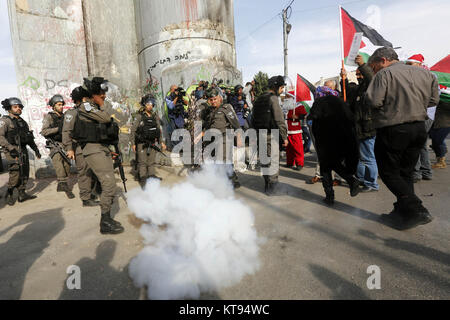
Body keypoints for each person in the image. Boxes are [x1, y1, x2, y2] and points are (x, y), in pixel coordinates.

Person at [365, 47, 440, 230]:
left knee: (389, 172)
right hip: (419, 128)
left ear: (383, 60)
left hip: (394, 128)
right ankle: (403, 213)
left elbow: (373, 101)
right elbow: (434, 100)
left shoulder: (384, 75)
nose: (374, 71)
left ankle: (416, 209)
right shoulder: (427, 74)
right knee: (405, 172)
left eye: (374, 67)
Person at [72, 77, 124, 235]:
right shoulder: (86, 106)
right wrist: (102, 105)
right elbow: (106, 118)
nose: (104, 97)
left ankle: (106, 218)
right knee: (109, 184)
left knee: (109, 183)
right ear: (94, 94)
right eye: (101, 95)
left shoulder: (94, 106)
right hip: (93, 149)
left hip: (102, 148)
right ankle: (105, 221)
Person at [309, 86, 361, 205]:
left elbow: (313, 116)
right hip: (343, 139)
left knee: (326, 167)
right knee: (333, 163)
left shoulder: (319, 102)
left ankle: (331, 195)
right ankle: (350, 181)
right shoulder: (339, 101)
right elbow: (351, 118)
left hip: (326, 140)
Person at [341, 54, 379, 192]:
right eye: (357, 74)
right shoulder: (359, 88)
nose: (358, 76)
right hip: (358, 129)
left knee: (369, 157)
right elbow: (349, 96)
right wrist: (343, 79)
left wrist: (362, 65)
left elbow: (371, 79)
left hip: (368, 128)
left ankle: (372, 183)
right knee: (361, 158)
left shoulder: (371, 86)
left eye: (360, 74)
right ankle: (362, 180)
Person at [62, 86, 100, 207]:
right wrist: (69, 149)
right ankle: (86, 198)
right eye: (88, 98)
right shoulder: (72, 113)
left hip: (94, 146)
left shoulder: (90, 111)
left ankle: (93, 193)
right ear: (83, 98)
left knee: (95, 171)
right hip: (80, 147)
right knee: (84, 173)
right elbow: (66, 131)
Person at [0, 97, 41, 205]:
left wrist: (35, 149)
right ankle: (9, 193)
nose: (18, 109)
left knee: (25, 171)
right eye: (15, 107)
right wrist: (10, 149)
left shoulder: (22, 122)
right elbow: (0, 137)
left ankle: (22, 193)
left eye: (20, 107)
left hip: (22, 149)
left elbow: (28, 137)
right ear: (9, 108)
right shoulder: (5, 121)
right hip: (12, 150)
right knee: (16, 172)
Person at [252, 75, 288, 195]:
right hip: (271, 134)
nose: (282, 90)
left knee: (264, 160)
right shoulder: (273, 99)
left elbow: (253, 118)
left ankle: (267, 183)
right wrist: (284, 136)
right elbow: (279, 119)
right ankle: (272, 187)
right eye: (282, 87)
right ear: (276, 87)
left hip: (259, 133)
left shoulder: (259, 99)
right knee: (273, 160)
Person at [202, 88, 241, 189]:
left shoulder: (226, 107)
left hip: (225, 138)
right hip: (213, 140)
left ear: (220, 98)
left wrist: (239, 138)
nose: (213, 101)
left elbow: (236, 123)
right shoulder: (210, 110)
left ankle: (232, 182)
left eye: (215, 99)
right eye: (211, 100)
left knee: (224, 161)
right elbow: (209, 125)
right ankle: (228, 180)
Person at [405, 54, 436, 181]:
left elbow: (433, 98)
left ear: (418, 64)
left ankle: (416, 172)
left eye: (410, 64)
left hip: (423, 115)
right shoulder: (427, 75)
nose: (408, 67)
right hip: (425, 114)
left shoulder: (427, 76)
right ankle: (426, 172)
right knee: (421, 144)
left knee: (415, 144)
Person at [41, 94, 75, 199]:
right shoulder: (49, 116)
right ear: (53, 105)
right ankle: (64, 185)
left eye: (62, 105)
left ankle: (61, 185)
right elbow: (44, 131)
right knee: (59, 165)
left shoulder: (65, 116)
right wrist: (58, 129)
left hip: (65, 143)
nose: (61, 107)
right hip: (55, 144)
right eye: (59, 105)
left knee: (67, 166)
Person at [130, 94, 166, 188]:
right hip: (141, 143)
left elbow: (159, 130)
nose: (150, 105)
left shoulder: (155, 116)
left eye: (152, 104)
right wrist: (133, 144)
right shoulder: (139, 116)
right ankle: (143, 180)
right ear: (144, 104)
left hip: (152, 143)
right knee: (142, 163)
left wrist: (161, 142)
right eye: (148, 103)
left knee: (151, 162)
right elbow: (133, 130)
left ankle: (151, 177)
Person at [286, 104, 307, 170]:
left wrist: (297, 117)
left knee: (298, 148)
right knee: (288, 148)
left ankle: (299, 164)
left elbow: (304, 115)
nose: (286, 95)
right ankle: (290, 162)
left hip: (295, 130)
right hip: (286, 128)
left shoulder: (299, 105)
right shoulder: (284, 104)